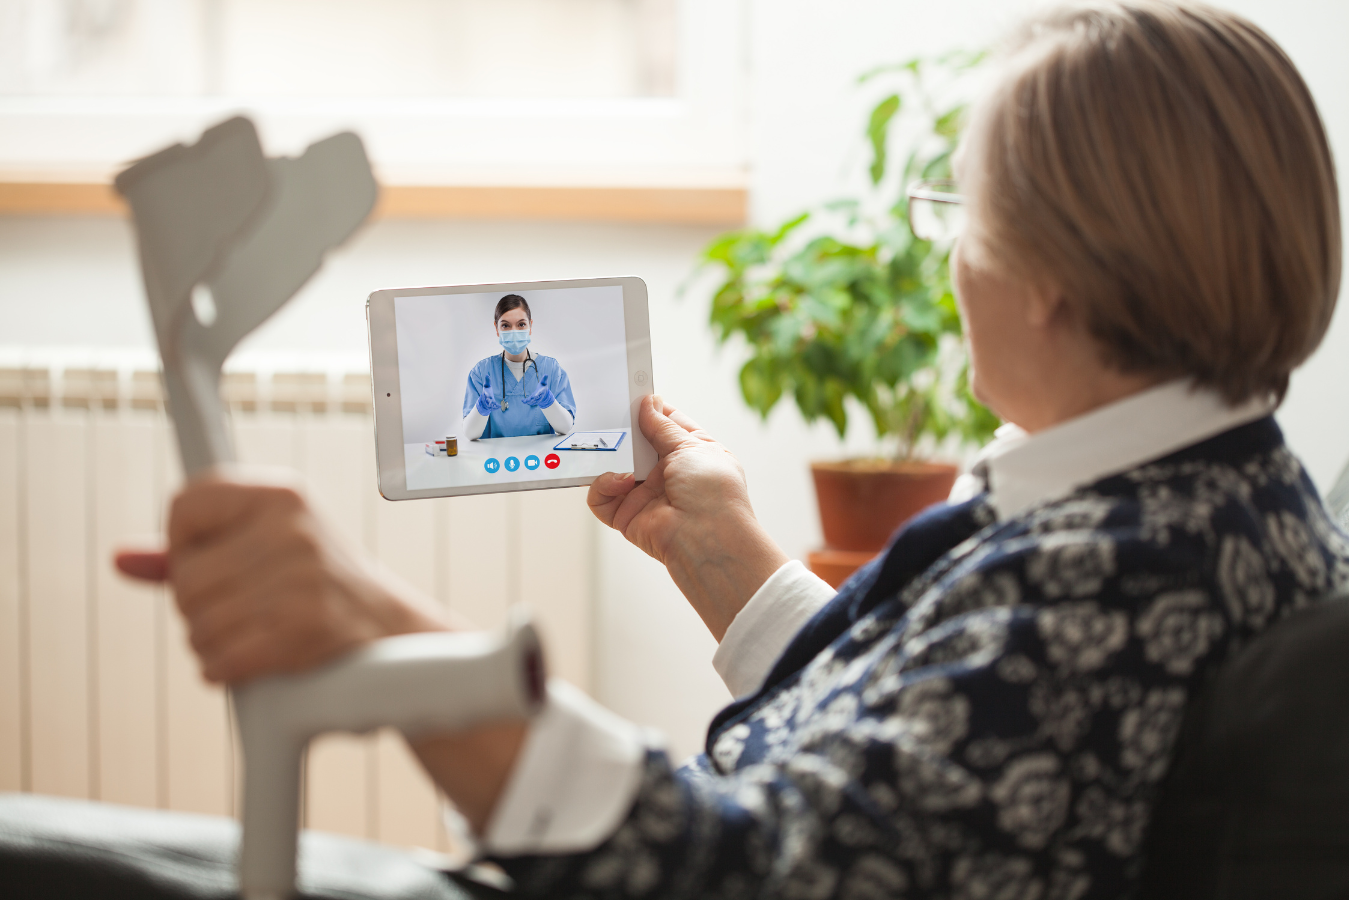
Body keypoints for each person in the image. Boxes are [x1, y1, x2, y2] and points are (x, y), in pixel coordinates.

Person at [114, 2, 1348, 897]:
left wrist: (388, 636)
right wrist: (725, 559)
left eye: (967, 218)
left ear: (1057, 282)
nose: (951, 260)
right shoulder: (1213, 499)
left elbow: (750, 875)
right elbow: (919, 755)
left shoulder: (1104, 583)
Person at [462, 294, 577, 440]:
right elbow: (470, 434)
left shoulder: (551, 369)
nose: (514, 331)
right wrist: (481, 408)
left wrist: (549, 403)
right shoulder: (482, 372)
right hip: (497, 460)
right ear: (496, 329)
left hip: (540, 459)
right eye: (505, 325)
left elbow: (566, 427)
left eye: (521, 324)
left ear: (530, 326)